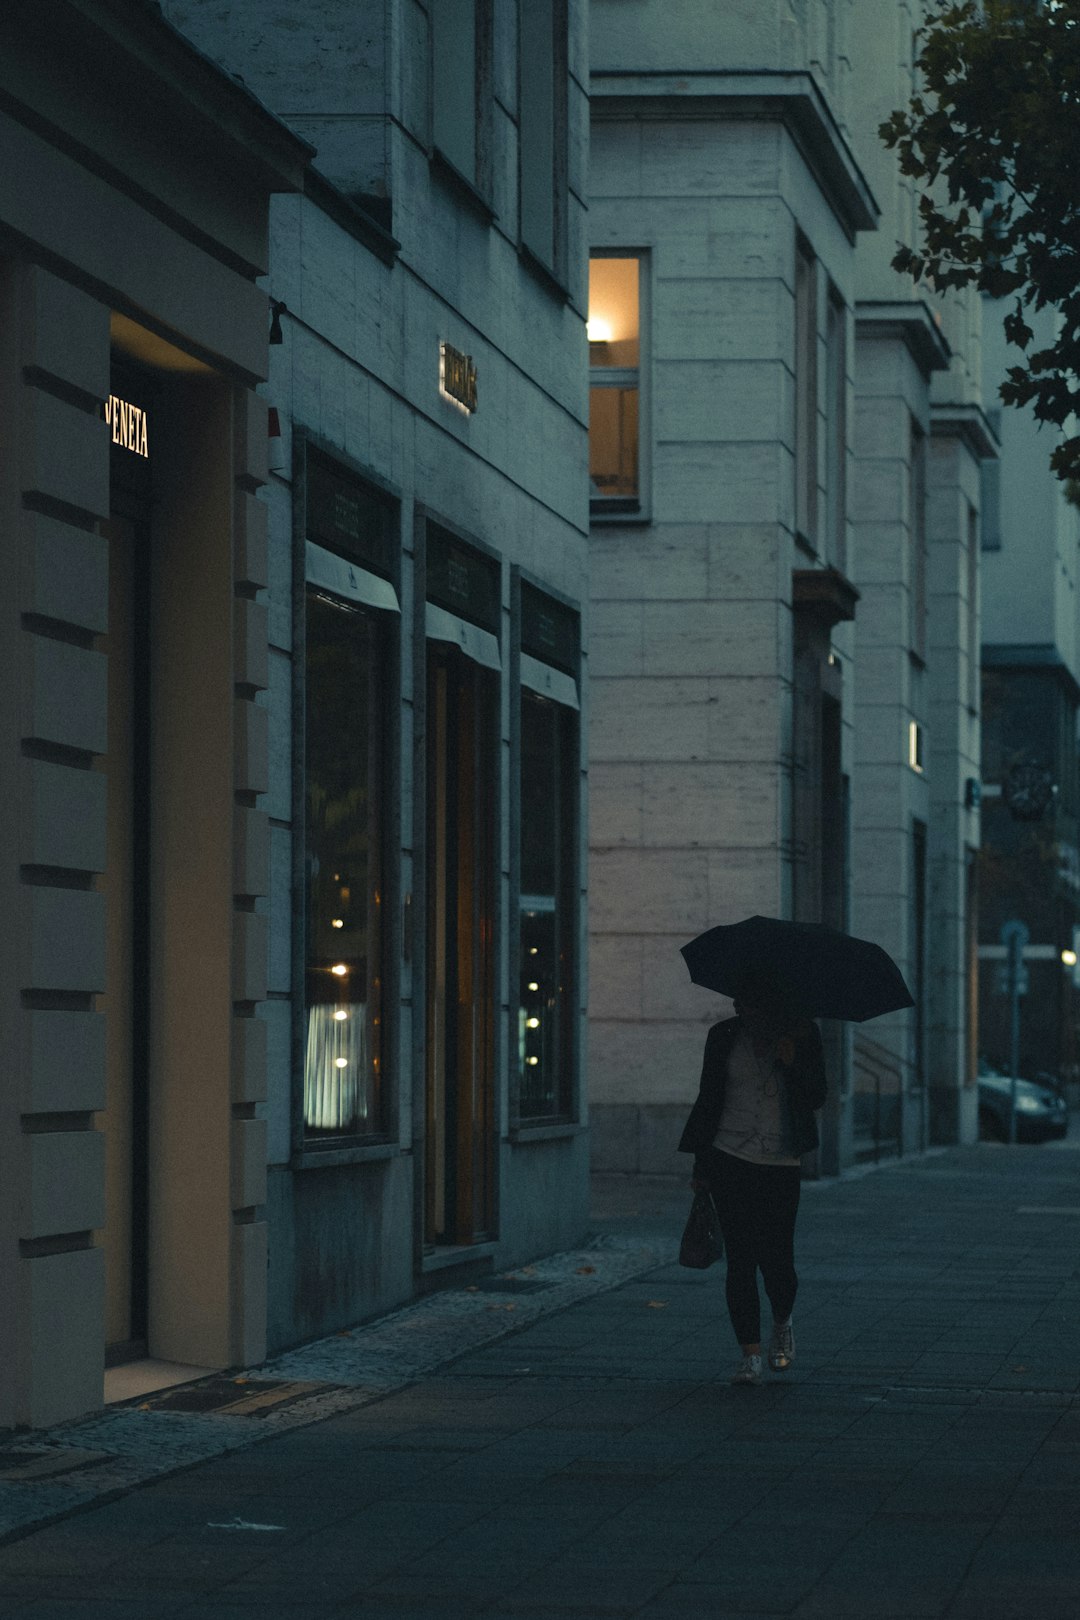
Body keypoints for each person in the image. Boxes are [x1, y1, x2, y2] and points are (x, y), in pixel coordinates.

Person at [678, 970, 827, 1385]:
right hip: (729, 1155)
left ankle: (782, 1322)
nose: (742, 1011)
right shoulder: (723, 1036)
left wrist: (792, 1064)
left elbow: (817, 1096)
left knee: (777, 1260)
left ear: (773, 1007)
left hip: (780, 1161)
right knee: (740, 1259)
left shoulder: (802, 1036)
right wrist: (701, 1167)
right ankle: (750, 1354)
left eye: (751, 1006)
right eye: (739, 1005)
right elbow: (709, 1098)